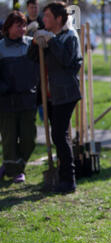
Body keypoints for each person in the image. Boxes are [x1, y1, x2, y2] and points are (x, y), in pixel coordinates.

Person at [27, 1, 83, 193]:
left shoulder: (69, 36)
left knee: (60, 134)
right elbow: (32, 58)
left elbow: (68, 61)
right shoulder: (50, 36)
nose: (44, 19)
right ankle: (61, 174)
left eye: (48, 16)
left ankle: (68, 180)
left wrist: (52, 40)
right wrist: (35, 43)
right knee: (57, 135)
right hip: (50, 94)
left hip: (66, 94)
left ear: (59, 18)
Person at [0, 11, 39, 183]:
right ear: (8, 27)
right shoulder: (0, 47)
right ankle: (15, 171)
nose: (23, 29)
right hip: (6, 101)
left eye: (24, 25)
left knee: (29, 138)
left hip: (27, 99)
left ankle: (11, 166)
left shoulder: (31, 45)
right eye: (19, 26)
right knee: (9, 138)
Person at [26, 0, 45, 122]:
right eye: (32, 7)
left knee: (42, 96)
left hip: (41, 63)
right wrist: (27, 30)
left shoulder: (43, 22)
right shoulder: (22, 22)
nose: (34, 9)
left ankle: (45, 123)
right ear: (27, 8)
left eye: (36, 7)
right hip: (27, 63)